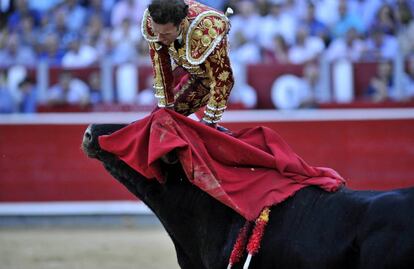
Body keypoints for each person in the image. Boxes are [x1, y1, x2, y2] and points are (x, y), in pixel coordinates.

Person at [141, 0, 234, 127]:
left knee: (160, 124)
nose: (159, 39)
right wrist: (166, 107)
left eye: (165, 34)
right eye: (156, 32)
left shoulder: (207, 30)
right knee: (158, 119)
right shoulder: (153, 20)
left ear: (182, 24)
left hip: (206, 77)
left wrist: (210, 121)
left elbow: (223, 79)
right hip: (182, 67)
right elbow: (161, 65)